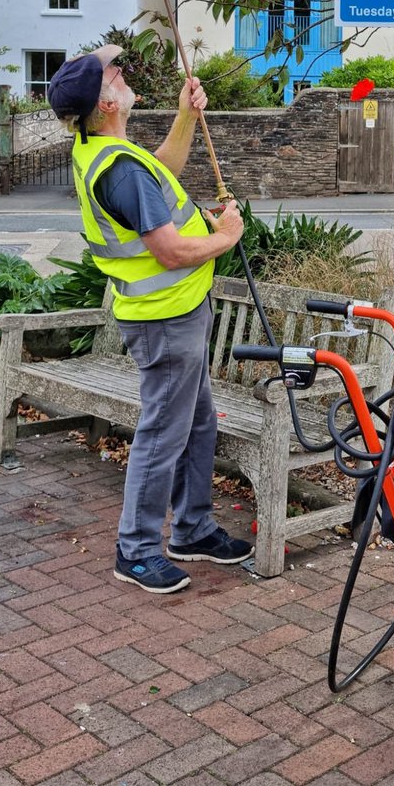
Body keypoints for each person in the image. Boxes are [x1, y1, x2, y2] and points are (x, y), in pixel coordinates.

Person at [47, 44, 249, 594]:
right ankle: (135, 550)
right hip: (165, 321)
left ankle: (193, 529)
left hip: (175, 315)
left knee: (198, 423)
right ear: (106, 103)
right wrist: (225, 237)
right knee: (164, 433)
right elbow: (169, 251)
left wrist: (186, 117)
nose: (122, 73)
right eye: (114, 73)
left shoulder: (109, 151)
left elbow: (163, 172)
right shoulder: (118, 169)